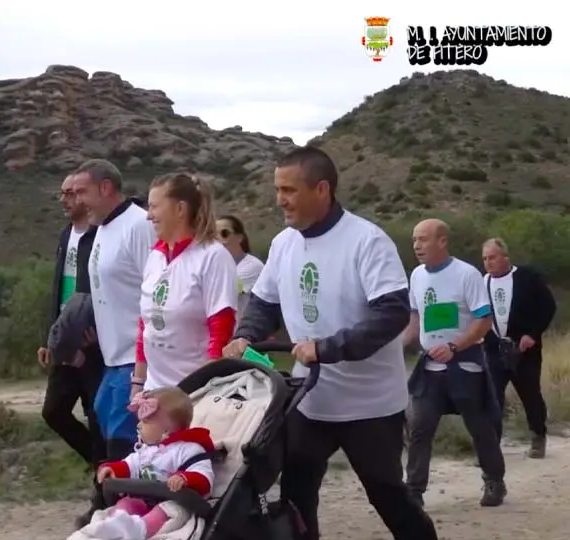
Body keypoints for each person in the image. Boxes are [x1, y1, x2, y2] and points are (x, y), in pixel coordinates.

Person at [222, 146, 437, 540]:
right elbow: (264, 302)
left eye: (289, 189)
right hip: (311, 399)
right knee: (296, 496)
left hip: (369, 405)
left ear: (321, 189)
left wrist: (327, 348)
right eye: (277, 189)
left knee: (387, 495)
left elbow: (391, 312)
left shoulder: (367, 241)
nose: (279, 200)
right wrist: (244, 335)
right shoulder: (285, 243)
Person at [72, 158, 156, 526]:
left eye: (82, 192)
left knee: (123, 434)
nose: (77, 201)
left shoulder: (138, 225)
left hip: (135, 355)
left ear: (106, 188)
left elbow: (156, 288)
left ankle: (118, 510)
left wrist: (145, 356)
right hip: (110, 355)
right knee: (103, 422)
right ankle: (116, 503)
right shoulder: (102, 229)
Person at [403, 219, 506, 508]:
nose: (417, 246)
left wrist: (454, 346)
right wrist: (396, 346)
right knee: (419, 427)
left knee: (480, 427)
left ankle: (494, 480)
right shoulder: (417, 276)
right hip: (429, 369)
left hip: (465, 366)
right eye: (414, 239)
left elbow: (484, 320)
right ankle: (413, 492)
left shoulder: (466, 274)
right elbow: (415, 318)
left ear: (442, 241)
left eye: (423, 239)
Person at [134, 173, 238, 391]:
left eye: (154, 207)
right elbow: (146, 325)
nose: (148, 216)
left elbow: (221, 332)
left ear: (180, 209)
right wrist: (138, 381)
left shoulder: (212, 256)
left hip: (194, 392)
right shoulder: (155, 256)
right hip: (155, 389)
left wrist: (199, 391)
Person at [37, 174, 106, 468]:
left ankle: (107, 485)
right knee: (54, 411)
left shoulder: (100, 233)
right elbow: (58, 288)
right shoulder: (66, 234)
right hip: (63, 339)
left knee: (96, 413)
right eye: (63, 194)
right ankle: (103, 466)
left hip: (92, 340)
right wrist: (48, 337)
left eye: (72, 193)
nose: (65, 200)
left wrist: (99, 331)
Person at [88, 387, 215, 539]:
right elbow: (130, 465)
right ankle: (115, 526)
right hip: (145, 499)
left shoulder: (189, 449)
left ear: (166, 430)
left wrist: (185, 478)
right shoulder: (146, 451)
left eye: (145, 421)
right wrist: (113, 469)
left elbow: (204, 476)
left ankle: (139, 531)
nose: (138, 426)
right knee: (127, 503)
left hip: (174, 502)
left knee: (164, 511)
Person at [481, 237, 557, 458]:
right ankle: (491, 446)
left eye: (492, 257)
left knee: (530, 394)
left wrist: (533, 334)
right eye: (485, 258)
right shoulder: (481, 282)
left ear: (505, 256)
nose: (488, 262)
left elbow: (548, 306)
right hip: (495, 349)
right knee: (493, 397)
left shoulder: (527, 278)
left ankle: (537, 437)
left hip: (524, 349)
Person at [216, 214, 263, 319]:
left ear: (239, 238)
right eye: (213, 235)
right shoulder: (216, 267)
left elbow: (226, 290)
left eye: (224, 233)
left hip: (244, 332)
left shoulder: (253, 267)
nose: (218, 239)